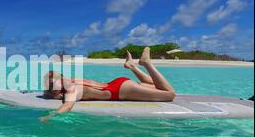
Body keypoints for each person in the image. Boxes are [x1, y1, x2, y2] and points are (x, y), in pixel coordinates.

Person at [39, 47, 176, 122]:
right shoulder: (72, 80)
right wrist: (50, 93)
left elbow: (67, 106)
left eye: (51, 86)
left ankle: (147, 63)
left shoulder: (72, 89)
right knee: (156, 86)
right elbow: (50, 90)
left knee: (169, 94)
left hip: (122, 91)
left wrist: (50, 116)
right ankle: (132, 67)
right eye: (49, 88)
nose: (51, 90)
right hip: (118, 83)